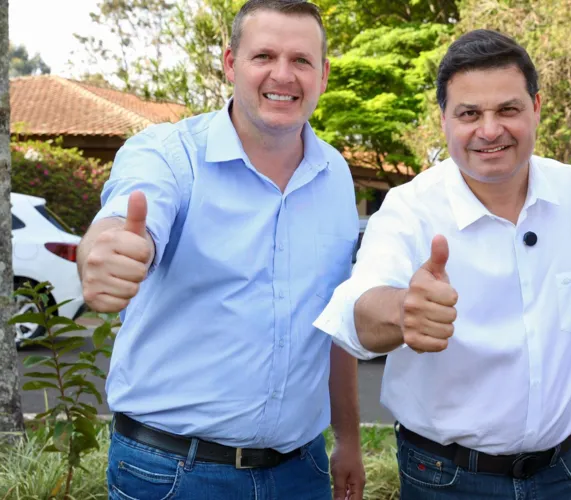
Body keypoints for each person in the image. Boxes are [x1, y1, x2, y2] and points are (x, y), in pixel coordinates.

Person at [313, 29, 571, 499]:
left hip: (563, 472)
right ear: (443, 119)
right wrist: (404, 309)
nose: (490, 130)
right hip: (446, 478)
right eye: (469, 114)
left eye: (508, 109)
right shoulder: (411, 209)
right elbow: (356, 310)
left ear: (537, 107)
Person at [77, 1, 365, 498]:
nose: (284, 75)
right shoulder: (168, 155)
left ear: (324, 74)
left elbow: (333, 318)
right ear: (231, 63)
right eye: (264, 56)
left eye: (301, 60)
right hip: (171, 473)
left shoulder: (335, 174)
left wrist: (350, 439)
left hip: (303, 472)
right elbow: (126, 220)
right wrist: (107, 252)